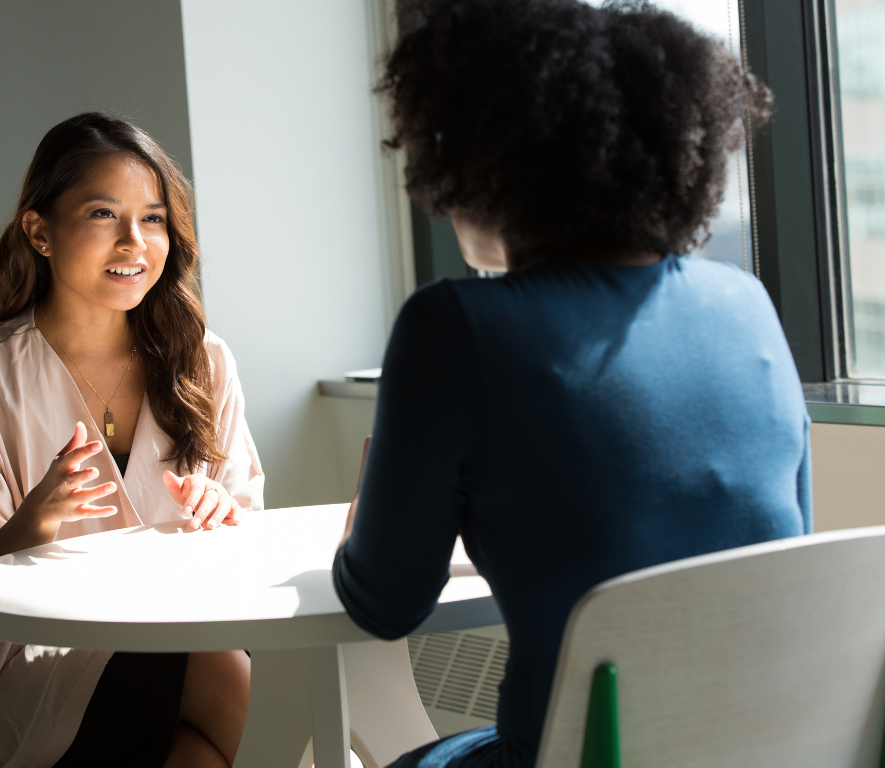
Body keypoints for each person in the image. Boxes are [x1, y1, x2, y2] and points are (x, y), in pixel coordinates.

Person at [332, 1, 807, 767]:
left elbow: (384, 604)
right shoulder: (747, 307)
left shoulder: (454, 325)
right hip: (769, 749)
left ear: (487, 163)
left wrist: (367, 524)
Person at [0, 113, 263, 768]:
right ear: (39, 232)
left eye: (153, 219)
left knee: (210, 708)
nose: (135, 242)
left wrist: (222, 513)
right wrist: (30, 526)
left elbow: (248, 534)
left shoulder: (204, 361)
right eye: (103, 214)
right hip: (28, 663)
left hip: (183, 629)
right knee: (222, 672)